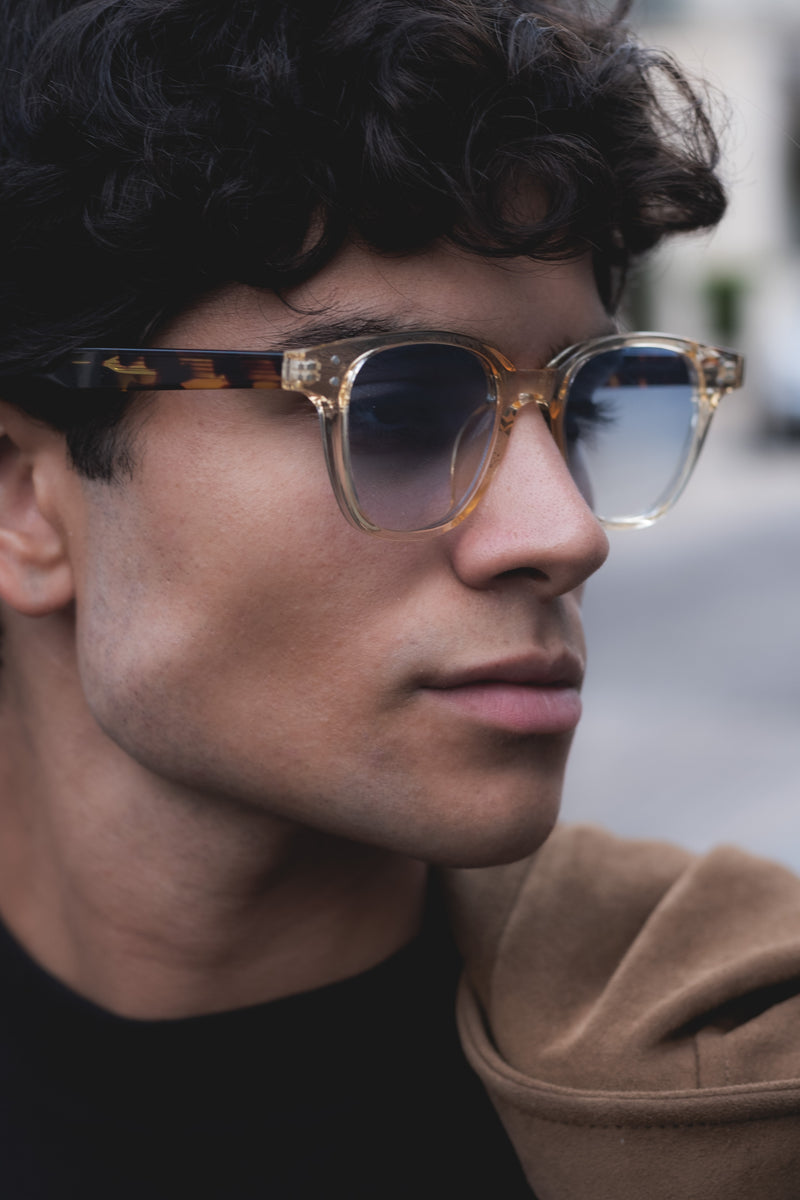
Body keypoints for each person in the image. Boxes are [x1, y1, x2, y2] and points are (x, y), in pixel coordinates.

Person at [0, 1, 798, 1196]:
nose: (564, 534)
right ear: (25, 500)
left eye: (586, 404)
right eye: (398, 408)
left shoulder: (739, 1078)